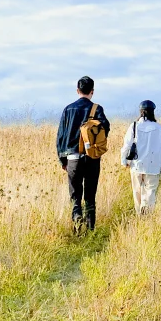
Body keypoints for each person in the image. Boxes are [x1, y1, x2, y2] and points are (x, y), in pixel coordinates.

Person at [56, 77, 111, 231]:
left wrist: (63, 161)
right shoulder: (97, 109)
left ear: (77, 90)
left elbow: (60, 136)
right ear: (92, 91)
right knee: (90, 197)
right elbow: (105, 130)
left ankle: (77, 224)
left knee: (75, 197)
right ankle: (91, 230)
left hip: (72, 158)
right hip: (92, 158)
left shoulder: (68, 109)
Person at [121, 100, 161, 215]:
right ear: (153, 112)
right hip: (153, 166)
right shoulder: (159, 128)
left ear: (141, 111)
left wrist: (124, 161)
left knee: (137, 192)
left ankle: (140, 215)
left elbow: (126, 145)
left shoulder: (134, 126)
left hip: (136, 164)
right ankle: (147, 213)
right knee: (150, 192)